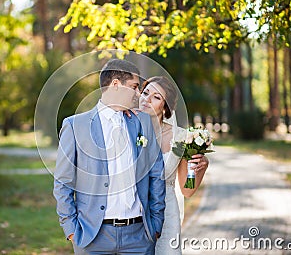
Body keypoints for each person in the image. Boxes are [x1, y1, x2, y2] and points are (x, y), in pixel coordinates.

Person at [53, 59, 166, 254]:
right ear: (115, 84)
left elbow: (156, 174)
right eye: (134, 87)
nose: (139, 94)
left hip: (139, 236)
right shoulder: (75, 126)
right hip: (91, 237)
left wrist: (155, 224)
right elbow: (63, 182)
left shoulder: (143, 122)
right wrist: (71, 230)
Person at [138, 76, 209, 255]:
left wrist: (199, 169)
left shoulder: (180, 138)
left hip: (167, 213)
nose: (146, 99)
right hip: (134, 213)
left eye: (156, 97)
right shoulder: (126, 128)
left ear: (166, 107)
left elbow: (187, 190)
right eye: (145, 93)